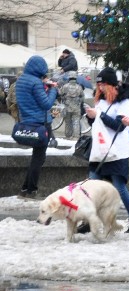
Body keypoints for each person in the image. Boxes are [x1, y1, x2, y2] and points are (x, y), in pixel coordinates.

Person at [82, 67, 129, 232]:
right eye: (98, 84)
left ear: (113, 85)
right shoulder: (100, 101)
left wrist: (99, 115)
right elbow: (98, 126)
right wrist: (91, 117)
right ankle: (88, 221)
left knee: (119, 187)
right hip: (99, 150)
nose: (100, 88)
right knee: (90, 185)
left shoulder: (125, 102)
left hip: (116, 151)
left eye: (103, 84)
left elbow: (118, 126)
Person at [17, 55, 58, 198]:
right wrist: (53, 90)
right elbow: (46, 104)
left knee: (37, 157)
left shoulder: (21, 80)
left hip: (26, 121)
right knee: (39, 158)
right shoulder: (35, 82)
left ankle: (24, 189)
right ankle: (31, 190)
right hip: (40, 124)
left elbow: (31, 99)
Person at [58, 71, 84, 139]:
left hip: (67, 107)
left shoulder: (65, 86)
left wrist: (63, 98)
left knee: (68, 122)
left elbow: (60, 93)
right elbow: (82, 97)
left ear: (69, 77)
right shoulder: (79, 87)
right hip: (76, 107)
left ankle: (68, 136)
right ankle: (76, 137)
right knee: (76, 122)